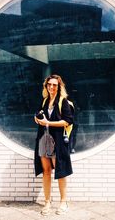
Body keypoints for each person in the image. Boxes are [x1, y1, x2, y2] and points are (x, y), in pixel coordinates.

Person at [34, 74, 74, 216]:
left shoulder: (63, 101)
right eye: (49, 84)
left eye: (54, 85)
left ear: (59, 86)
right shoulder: (45, 101)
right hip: (43, 140)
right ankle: (47, 202)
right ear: (46, 86)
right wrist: (37, 118)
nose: (51, 87)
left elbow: (68, 121)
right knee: (46, 171)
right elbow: (38, 114)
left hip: (57, 141)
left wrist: (48, 123)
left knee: (60, 170)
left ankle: (63, 202)